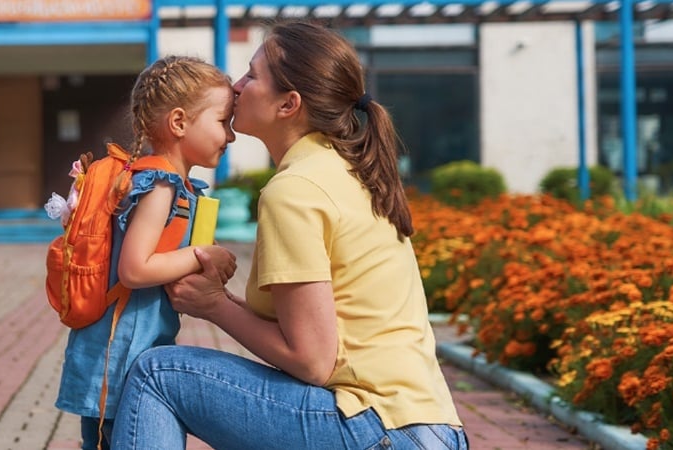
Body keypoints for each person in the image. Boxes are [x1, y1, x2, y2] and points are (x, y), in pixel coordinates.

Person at [110, 22, 468, 449]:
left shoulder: (295, 190)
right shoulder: (340, 171)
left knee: (158, 374)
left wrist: (215, 306)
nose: (236, 86)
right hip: (423, 427)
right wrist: (218, 301)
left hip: (377, 427)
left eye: (252, 75)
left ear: (288, 104)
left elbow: (312, 361)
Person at [55, 55, 239, 450]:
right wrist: (202, 255)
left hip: (121, 356)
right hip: (121, 360)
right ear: (178, 123)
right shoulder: (160, 186)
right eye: (223, 121)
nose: (231, 136)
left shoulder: (163, 183)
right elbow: (135, 269)